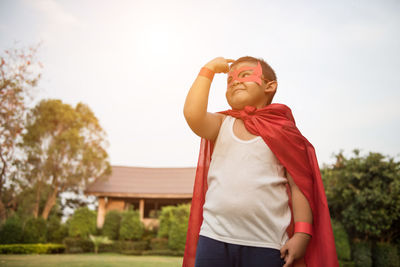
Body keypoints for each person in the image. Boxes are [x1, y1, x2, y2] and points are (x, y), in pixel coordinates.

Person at [182, 56, 339, 267]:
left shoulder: (284, 131)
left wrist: (302, 234)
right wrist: (208, 70)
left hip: (267, 243)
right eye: (229, 80)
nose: (235, 81)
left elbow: (299, 185)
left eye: (245, 75)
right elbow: (193, 114)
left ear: (270, 86)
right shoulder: (221, 124)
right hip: (214, 237)